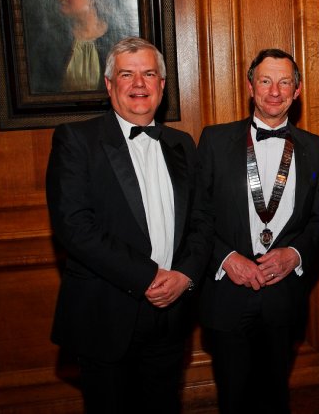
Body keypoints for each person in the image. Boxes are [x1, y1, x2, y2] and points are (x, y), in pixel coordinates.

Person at [46, 37, 211, 413]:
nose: (139, 84)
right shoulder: (76, 139)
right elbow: (74, 227)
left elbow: (203, 220)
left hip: (171, 315)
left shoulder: (182, 144)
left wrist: (185, 274)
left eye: (149, 74)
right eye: (127, 74)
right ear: (109, 84)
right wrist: (149, 276)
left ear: (162, 85)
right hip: (106, 314)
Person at [196, 48, 319, 414]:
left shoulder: (316, 149)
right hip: (227, 294)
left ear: (297, 91)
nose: (275, 90)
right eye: (266, 80)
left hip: (283, 298)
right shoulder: (214, 141)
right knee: (234, 398)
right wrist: (225, 258)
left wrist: (295, 254)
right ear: (250, 87)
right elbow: (197, 216)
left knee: (276, 398)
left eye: (285, 82)